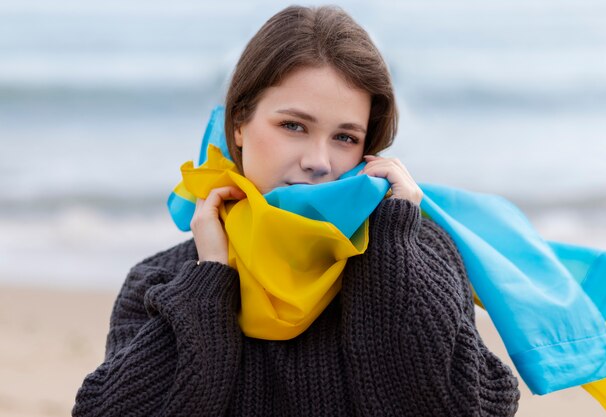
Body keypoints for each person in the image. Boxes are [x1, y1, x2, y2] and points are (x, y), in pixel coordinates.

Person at [73, 5, 520, 416]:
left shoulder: (417, 256)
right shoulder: (164, 281)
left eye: (345, 137)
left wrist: (391, 252)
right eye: (293, 126)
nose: (319, 161)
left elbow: (469, 408)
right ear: (239, 124)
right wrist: (209, 278)